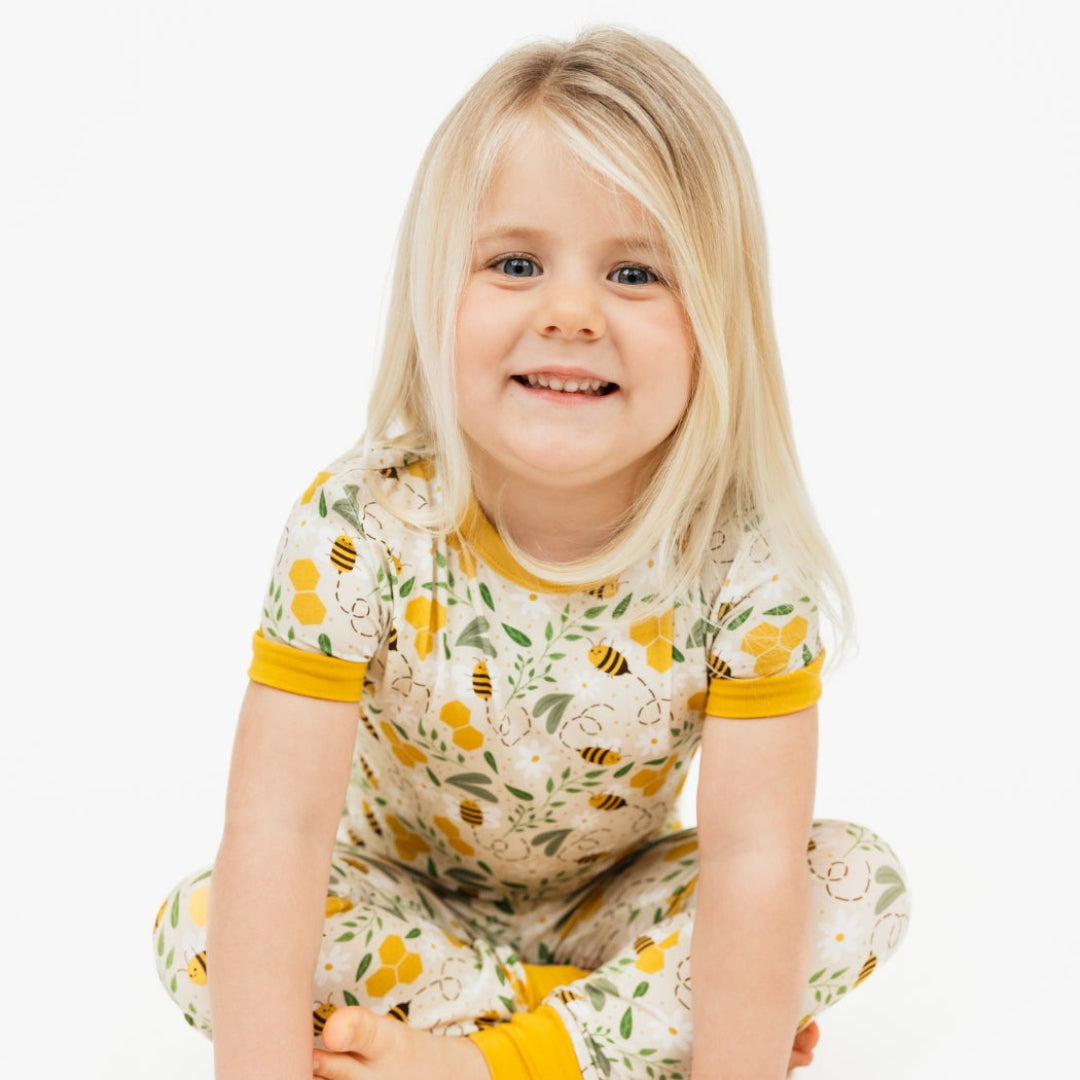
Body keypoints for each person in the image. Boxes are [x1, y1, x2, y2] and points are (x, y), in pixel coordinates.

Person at [153, 26, 910, 1080]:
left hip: (618, 905)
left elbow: (751, 857)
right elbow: (278, 826)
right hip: (397, 908)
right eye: (515, 263)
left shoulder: (748, 562)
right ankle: (606, 1040)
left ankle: (481, 1063)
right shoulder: (356, 529)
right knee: (201, 927)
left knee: (852, 885)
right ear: (435, 295)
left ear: (717, 322)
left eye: (636, 272)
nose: (569, 313)